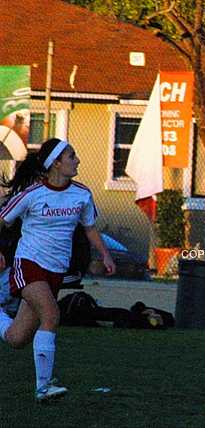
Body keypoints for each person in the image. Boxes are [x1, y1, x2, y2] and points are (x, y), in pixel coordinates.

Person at [0, 138, 116, 401]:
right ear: (56, 163)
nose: (77, 161)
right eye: (71, 156)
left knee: (17, 338)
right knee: (51, 315)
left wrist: (105, 255)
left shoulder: (82, 194)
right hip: (28, 264)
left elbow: (89, 228)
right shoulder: (31, 194)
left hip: (55, 271)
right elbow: (2, 221)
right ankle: (43, 387)